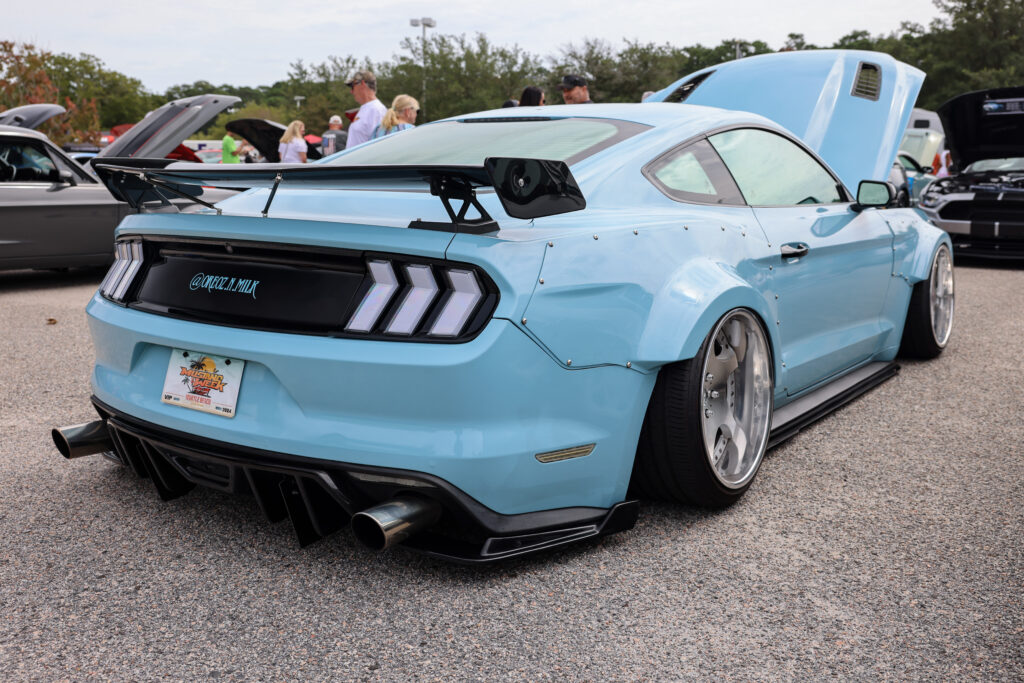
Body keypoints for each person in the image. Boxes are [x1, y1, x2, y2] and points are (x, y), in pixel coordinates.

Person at [345, 70, 387, 148]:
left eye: (352, 86)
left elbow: (380, 145)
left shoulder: (377, 110)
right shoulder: (368, 108)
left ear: (362, 84)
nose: (351, 91)